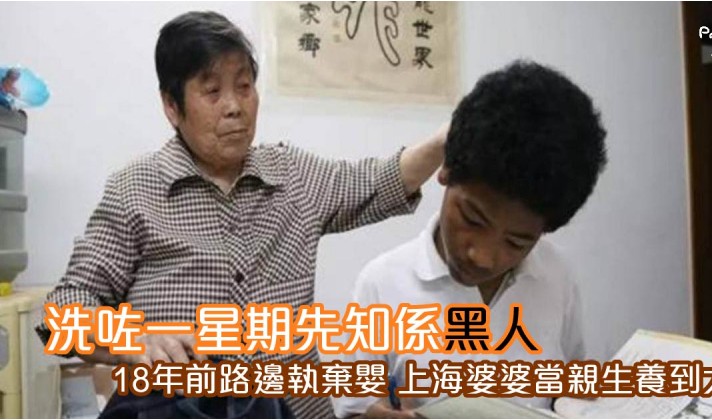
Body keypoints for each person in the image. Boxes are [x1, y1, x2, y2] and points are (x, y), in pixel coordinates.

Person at [35, 11, 446, 418]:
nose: (234, 107)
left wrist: (449, 140)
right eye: (212, 91)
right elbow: (64, 312)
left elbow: (380, 180)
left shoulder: (291, 176)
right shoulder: (135, 190)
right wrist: (134, 340)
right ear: (172, 107)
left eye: (244, 86)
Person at [333, 60, 608, 418]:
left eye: (516, 242)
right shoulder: (382, 283)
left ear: (546, 229)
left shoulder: (557, 277)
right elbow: (356, 408)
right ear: (446, 171)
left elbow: (571, 390)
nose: (483, 256)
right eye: (473, 219)